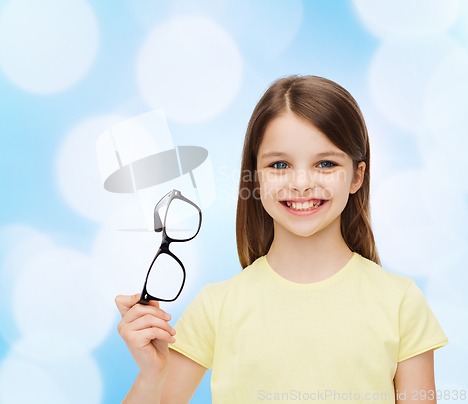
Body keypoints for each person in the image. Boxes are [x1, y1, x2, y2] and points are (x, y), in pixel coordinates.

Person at [115, 75, 448, 404]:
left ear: (357, 176)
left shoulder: (400, 303)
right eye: (279, 164)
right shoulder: (217, 307)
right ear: (256, 178)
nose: (301, 183)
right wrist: (150, 375)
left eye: (326, 163)